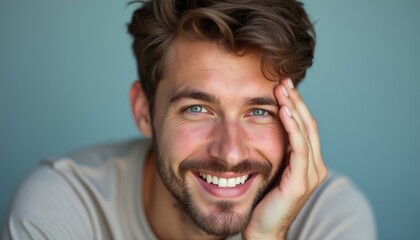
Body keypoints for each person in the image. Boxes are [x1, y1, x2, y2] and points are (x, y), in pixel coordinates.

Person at [3, 0, 376, 239]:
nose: (230, 152)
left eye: (259, 112)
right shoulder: (62, 208)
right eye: (197, 109)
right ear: (144, 111)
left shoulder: (330, 219)